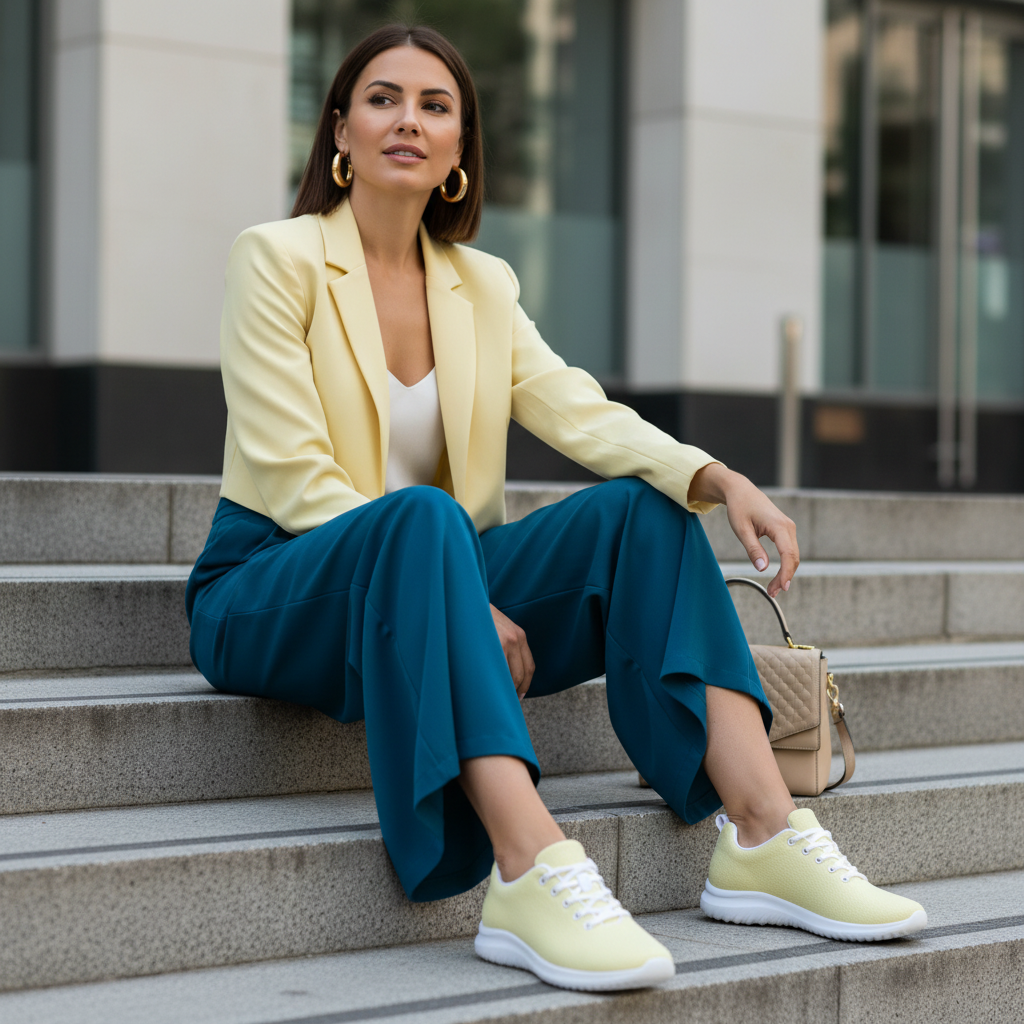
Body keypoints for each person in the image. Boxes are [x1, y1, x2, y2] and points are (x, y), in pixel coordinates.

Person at [186, 23, 926, 994]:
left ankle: (762, 832)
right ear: (340, 130)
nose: (408, 119)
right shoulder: (275, 258)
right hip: (275, 585)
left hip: (434, 566)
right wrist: (463, 598)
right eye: (382, 98)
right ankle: (529, 870)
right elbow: (291, 474)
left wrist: (717, 478)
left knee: (641, 512)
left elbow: (577, 409)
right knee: (426, 518)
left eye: (435, 106)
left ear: (459, 149)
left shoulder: (481, 284)